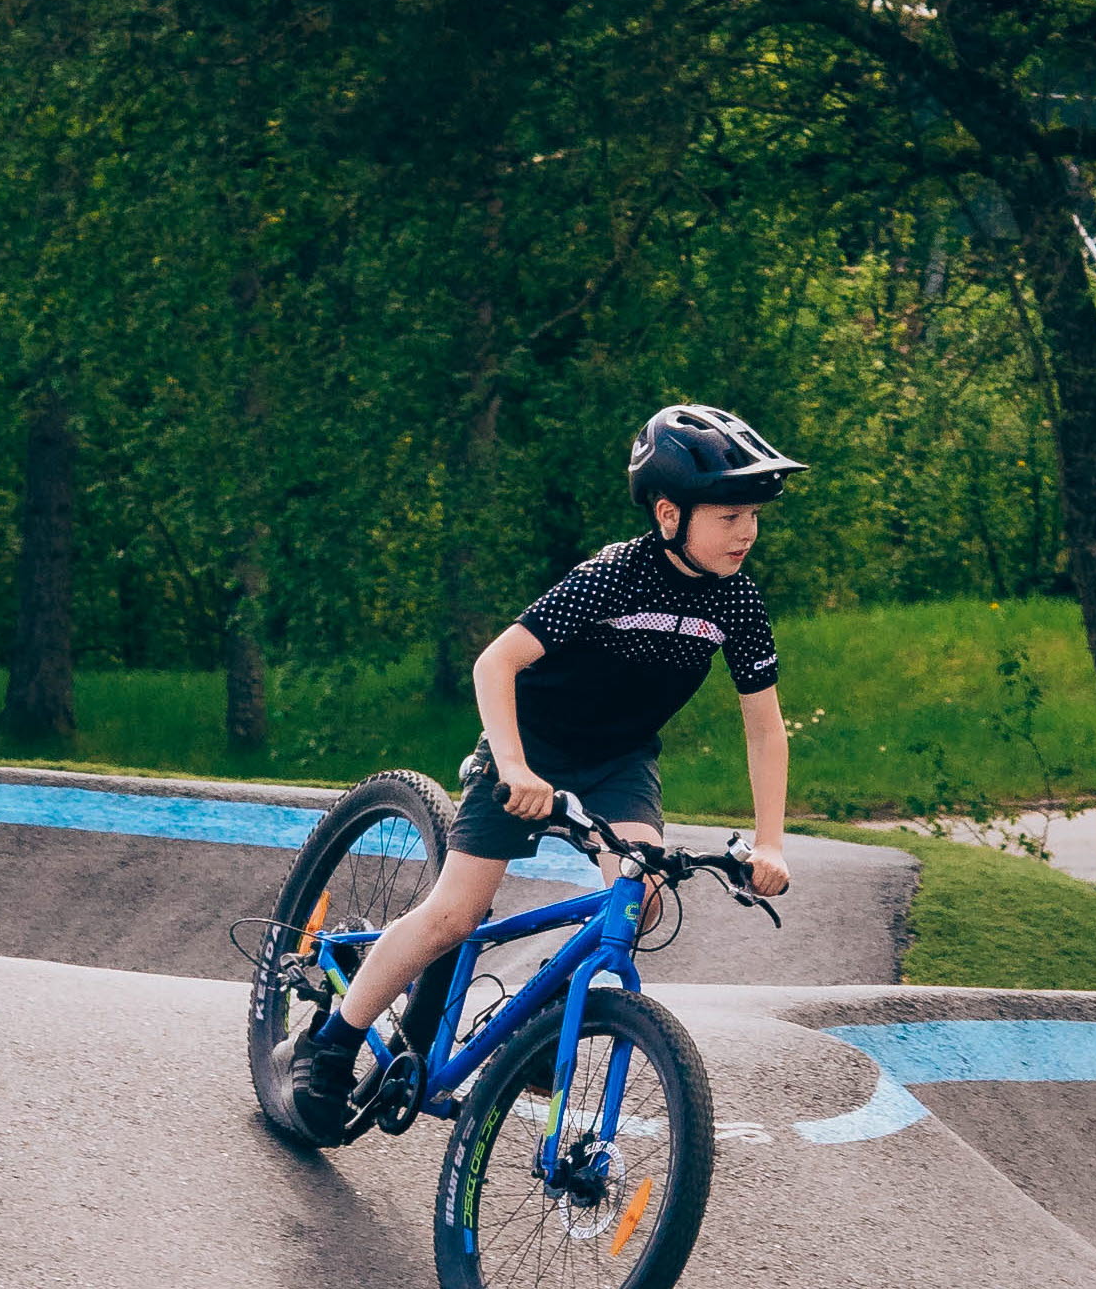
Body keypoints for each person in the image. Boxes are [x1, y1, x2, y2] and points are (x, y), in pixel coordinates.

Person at [288, 403, 802, 1138]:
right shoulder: (613, 577)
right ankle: (333, 1041)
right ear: (668, 514)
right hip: (527, 747)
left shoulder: (737, 601)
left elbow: (764, 727)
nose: (747, 532)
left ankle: (538, 1025)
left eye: (752, 516)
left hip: (619, 761)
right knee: (456, 914)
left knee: (642, 896)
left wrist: (770, 842)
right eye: (729, 517)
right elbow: (494, 663)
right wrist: (514, 766)